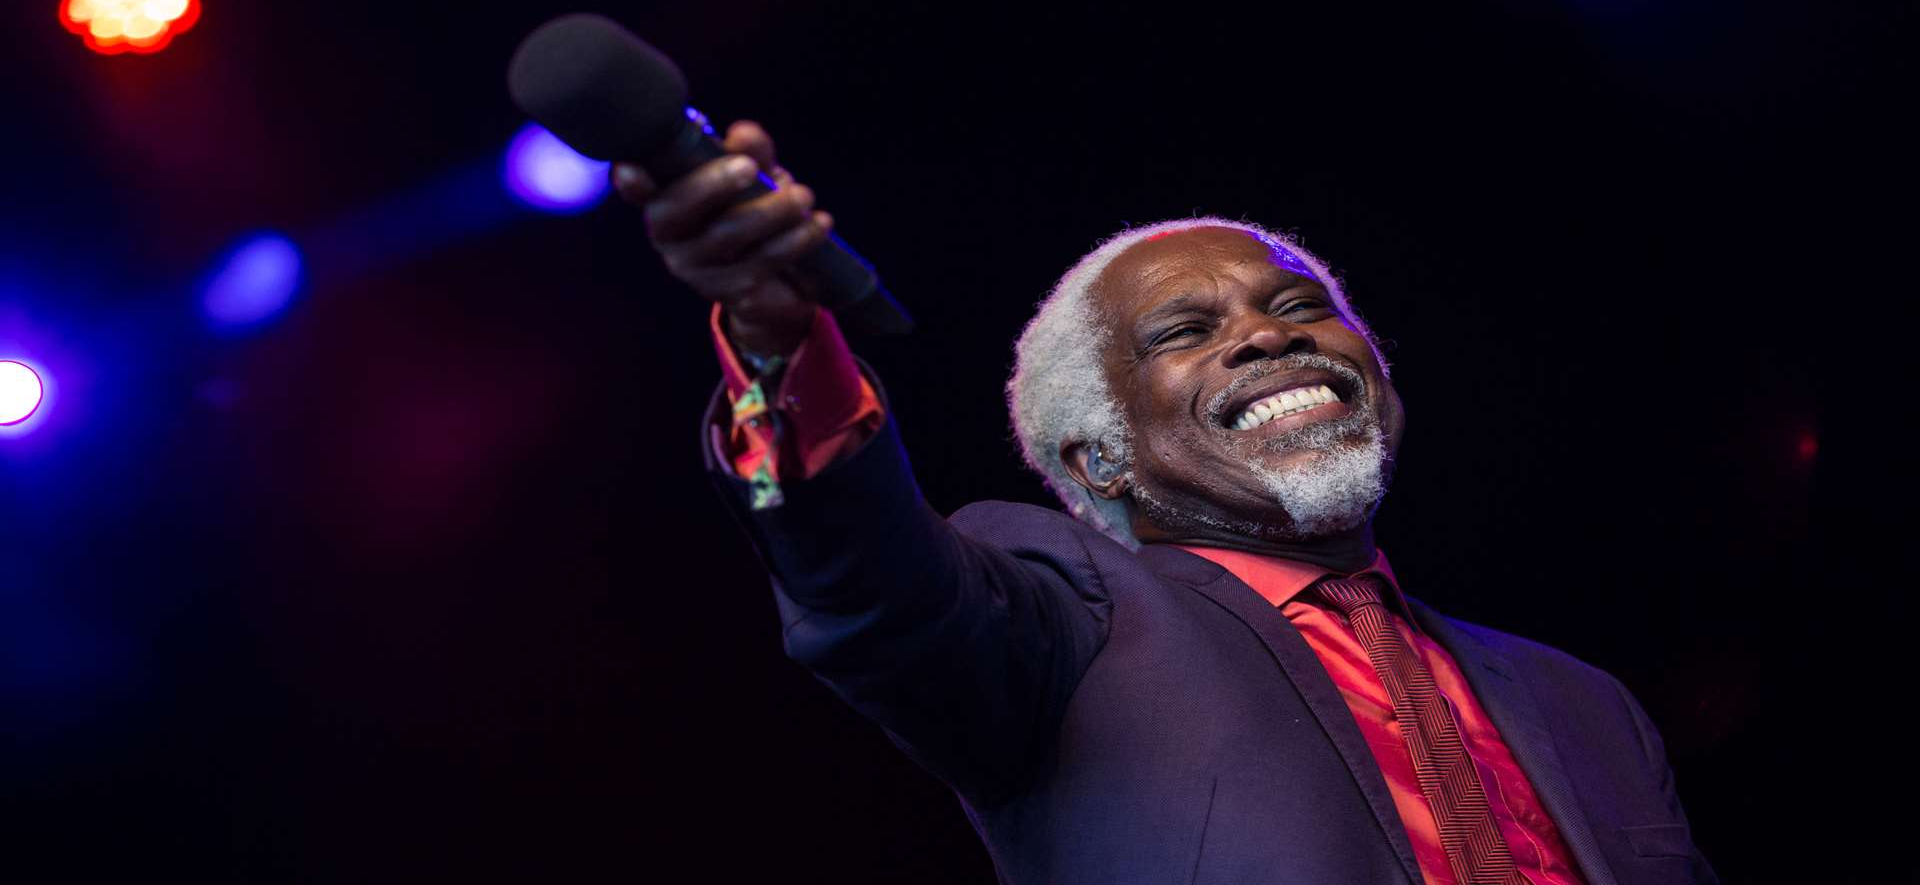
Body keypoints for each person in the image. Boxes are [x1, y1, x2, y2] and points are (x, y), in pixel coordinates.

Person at [611, 121, 1720, 885]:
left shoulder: (1584, 703)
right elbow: (865, 582)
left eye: (1300, 307)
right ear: (1099, 462)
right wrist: (777, 341)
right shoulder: (1062, 621)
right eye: (1185, 335)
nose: (1271, 334)